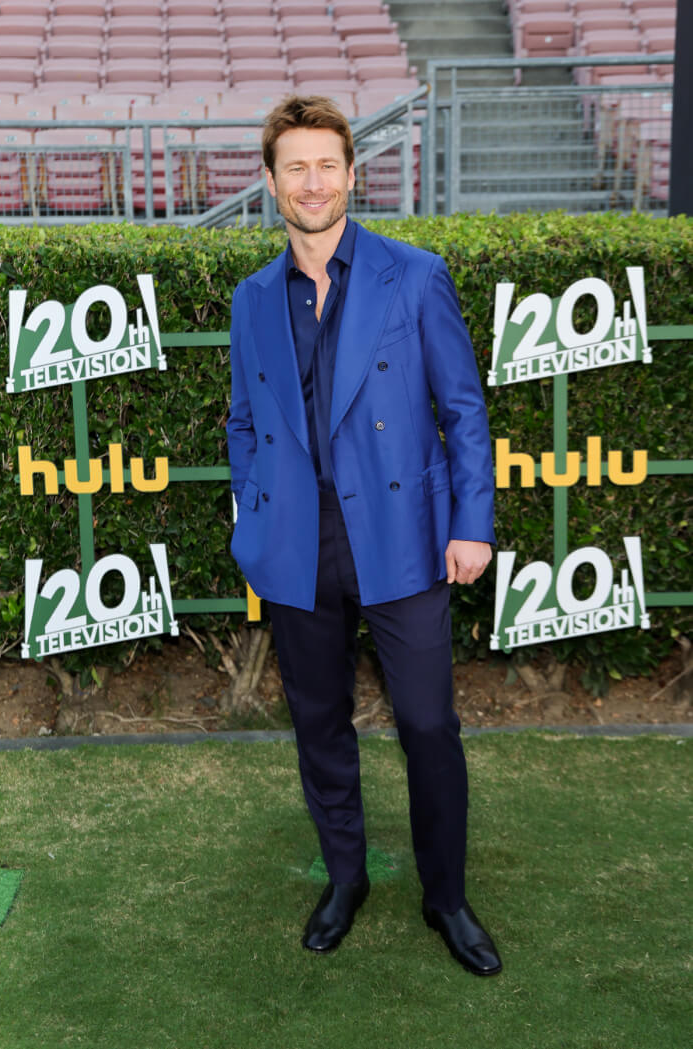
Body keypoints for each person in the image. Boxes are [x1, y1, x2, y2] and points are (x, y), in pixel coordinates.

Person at [226, 95, 501, 976]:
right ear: (272, 183)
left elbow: (463, 410)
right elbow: (242, 422)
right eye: (295, 168)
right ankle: (345, 878)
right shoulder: (252, 299)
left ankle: (446, 896)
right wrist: (253, 519)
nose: (312, 183)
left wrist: (471, 524)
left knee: (427, 723)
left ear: (352, 174)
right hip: (296, 544)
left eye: (326, 166)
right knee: (318, 723)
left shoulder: (413, 276)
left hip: (401, 534)